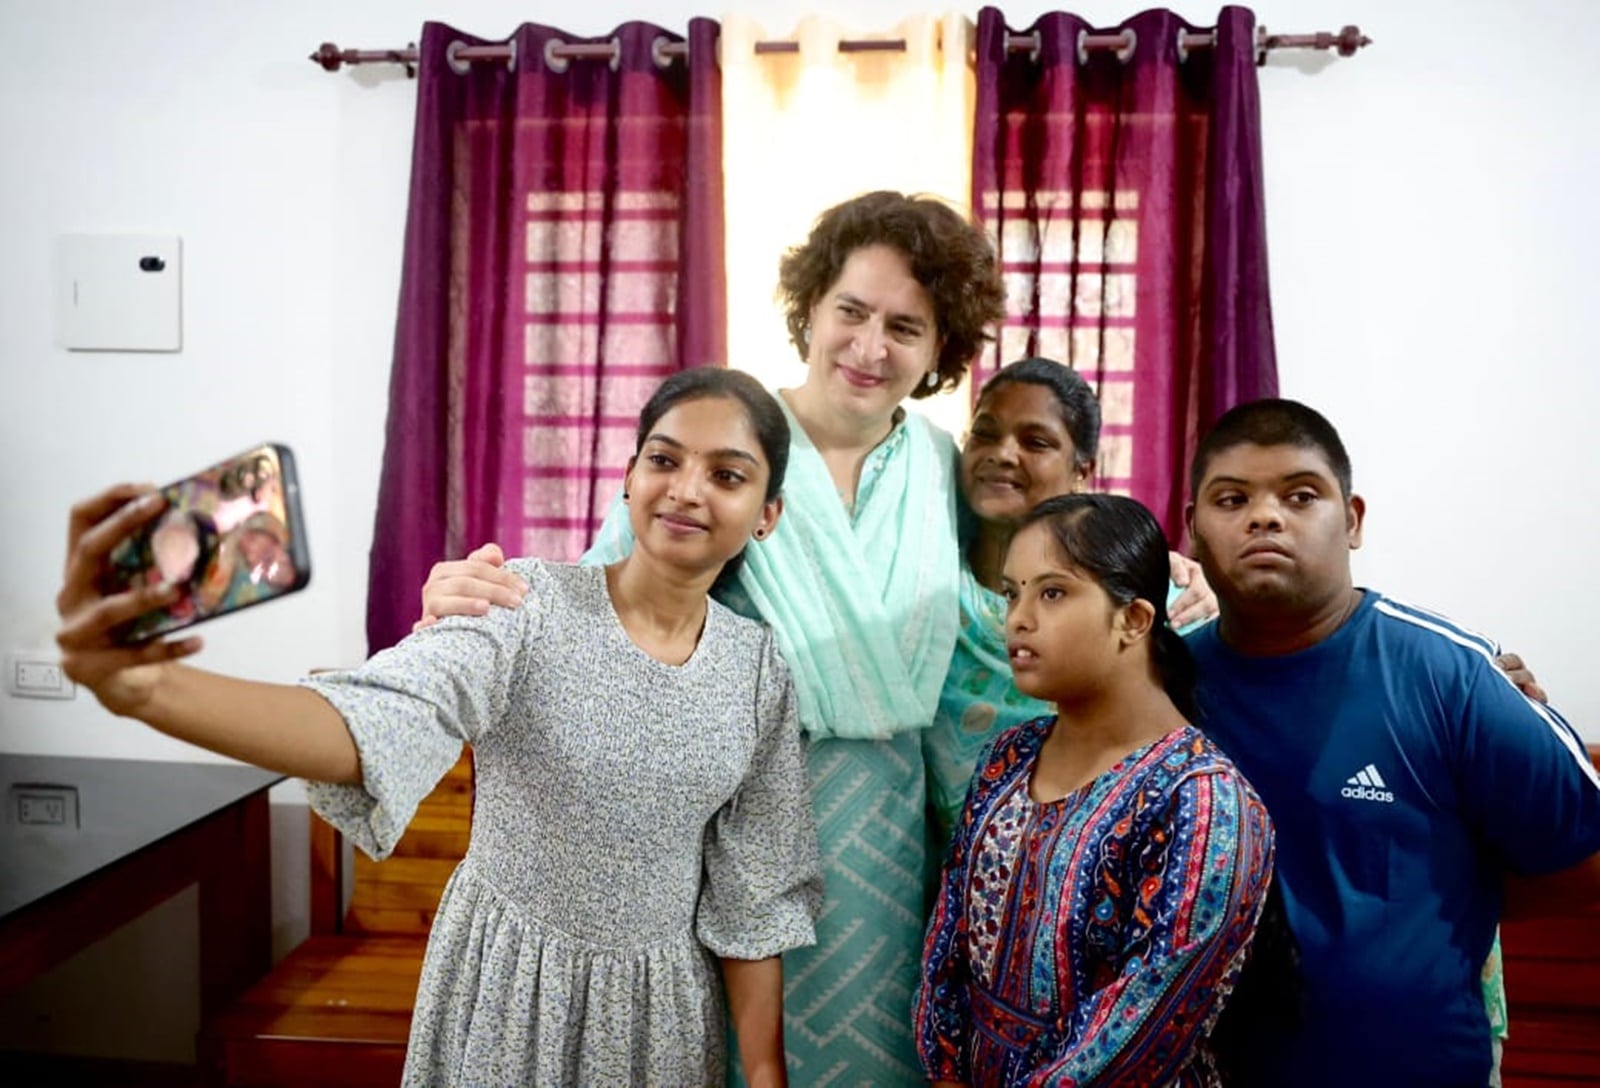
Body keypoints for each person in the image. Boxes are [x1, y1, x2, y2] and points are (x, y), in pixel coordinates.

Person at [55, 367, 824, 1088]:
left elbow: (752, 901)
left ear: (766, 514)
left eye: (727, 474)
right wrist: (148, 687)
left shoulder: (756, 671)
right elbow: (382, 717)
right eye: (664, 459)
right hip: (506, 988)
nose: (687, 490)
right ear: (627, 478)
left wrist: (763, 1075)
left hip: (661, 1016)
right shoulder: (522, 604)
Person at [418, 190, 1007, 1083]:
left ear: (941, 350)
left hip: (891, 838)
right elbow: (598, 601)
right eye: (851, 310)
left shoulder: (936, 465)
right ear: (810, 307)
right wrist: (469, 602)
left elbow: (1003, 599)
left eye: (906, 326)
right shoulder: (733, 440)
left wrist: (1169, 581)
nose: (870, 346)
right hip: (727, 820)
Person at [1182, 398, 1600, 1087]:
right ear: (1195, 529)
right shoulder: (1161, 687)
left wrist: (1465, 894)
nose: (1265, 515)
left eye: (1301, 494)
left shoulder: (1451, 675)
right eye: (1232, 498)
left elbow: (1585, 858)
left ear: (1351, 521)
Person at [915, 492, 1274, 1085]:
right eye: (1012, 593)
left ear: (1132, 619)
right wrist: (946, 1069)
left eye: (1052, 592)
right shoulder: (1009, 756)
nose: (1019, 618)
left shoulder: (1204, 803)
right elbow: (948, 934)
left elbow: (1147, 1019)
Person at [927, 356, 1215, 845]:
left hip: (1110, 873)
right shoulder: (927, 576)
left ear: (1083, 468)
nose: (1003, 453)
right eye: (985, 433)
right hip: (957, 876)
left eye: (1035, 442)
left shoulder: (1149, 596)